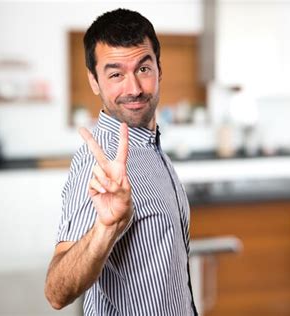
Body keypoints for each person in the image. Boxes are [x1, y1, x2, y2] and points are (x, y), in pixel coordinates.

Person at [45, 8, 198, 315]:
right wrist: (106, 227)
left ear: (159, 68)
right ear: (94, 81)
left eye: (143, 69)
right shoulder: (98, 162)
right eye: (115, 74)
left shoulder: (152, 149)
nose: (134, 89)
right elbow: (56, 292)